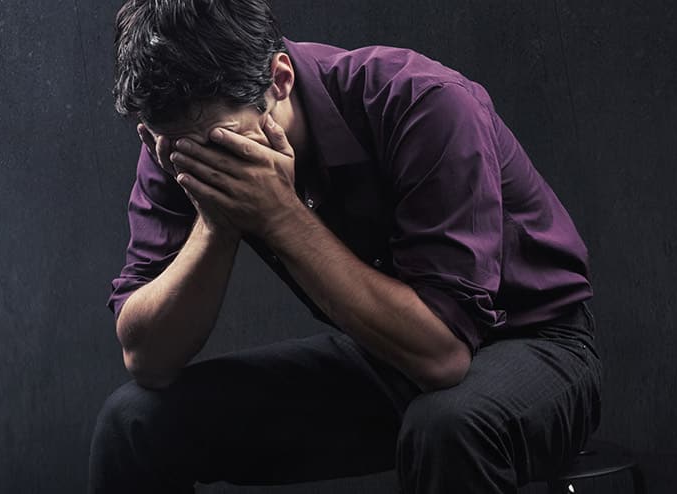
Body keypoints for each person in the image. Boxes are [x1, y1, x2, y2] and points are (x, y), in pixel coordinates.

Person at [89, 1, 603, 492]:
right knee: (133, 421)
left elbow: (443, 357)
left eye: (218, 146)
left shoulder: (424, 103)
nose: (201, 165)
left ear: (280, 80)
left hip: (536, 344)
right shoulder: (174, 145)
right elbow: (148, 358)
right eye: (177, 150)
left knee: (446, 425)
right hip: (383, 353)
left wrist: (278, 214)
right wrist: (216, 223)